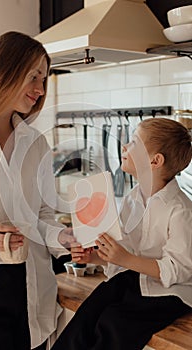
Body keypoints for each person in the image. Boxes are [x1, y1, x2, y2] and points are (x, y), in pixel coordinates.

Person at [0, 31, 74, 350]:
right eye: (33, 77)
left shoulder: (35, 144)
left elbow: (42, 217)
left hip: (33, 299)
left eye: (44, 79)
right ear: (2, 71)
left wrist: (63, 238)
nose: (40, 90)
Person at [51, 117, 192, 350]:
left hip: (170, 293)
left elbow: (177, 269)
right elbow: (123, 251)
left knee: (114, 324)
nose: (124, 146)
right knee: (87, 316)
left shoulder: (181, 210)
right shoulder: (132, 199)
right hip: (132, 280)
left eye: (134, 142)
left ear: (154, 161)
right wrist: (94, 257)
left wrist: (124, 259)